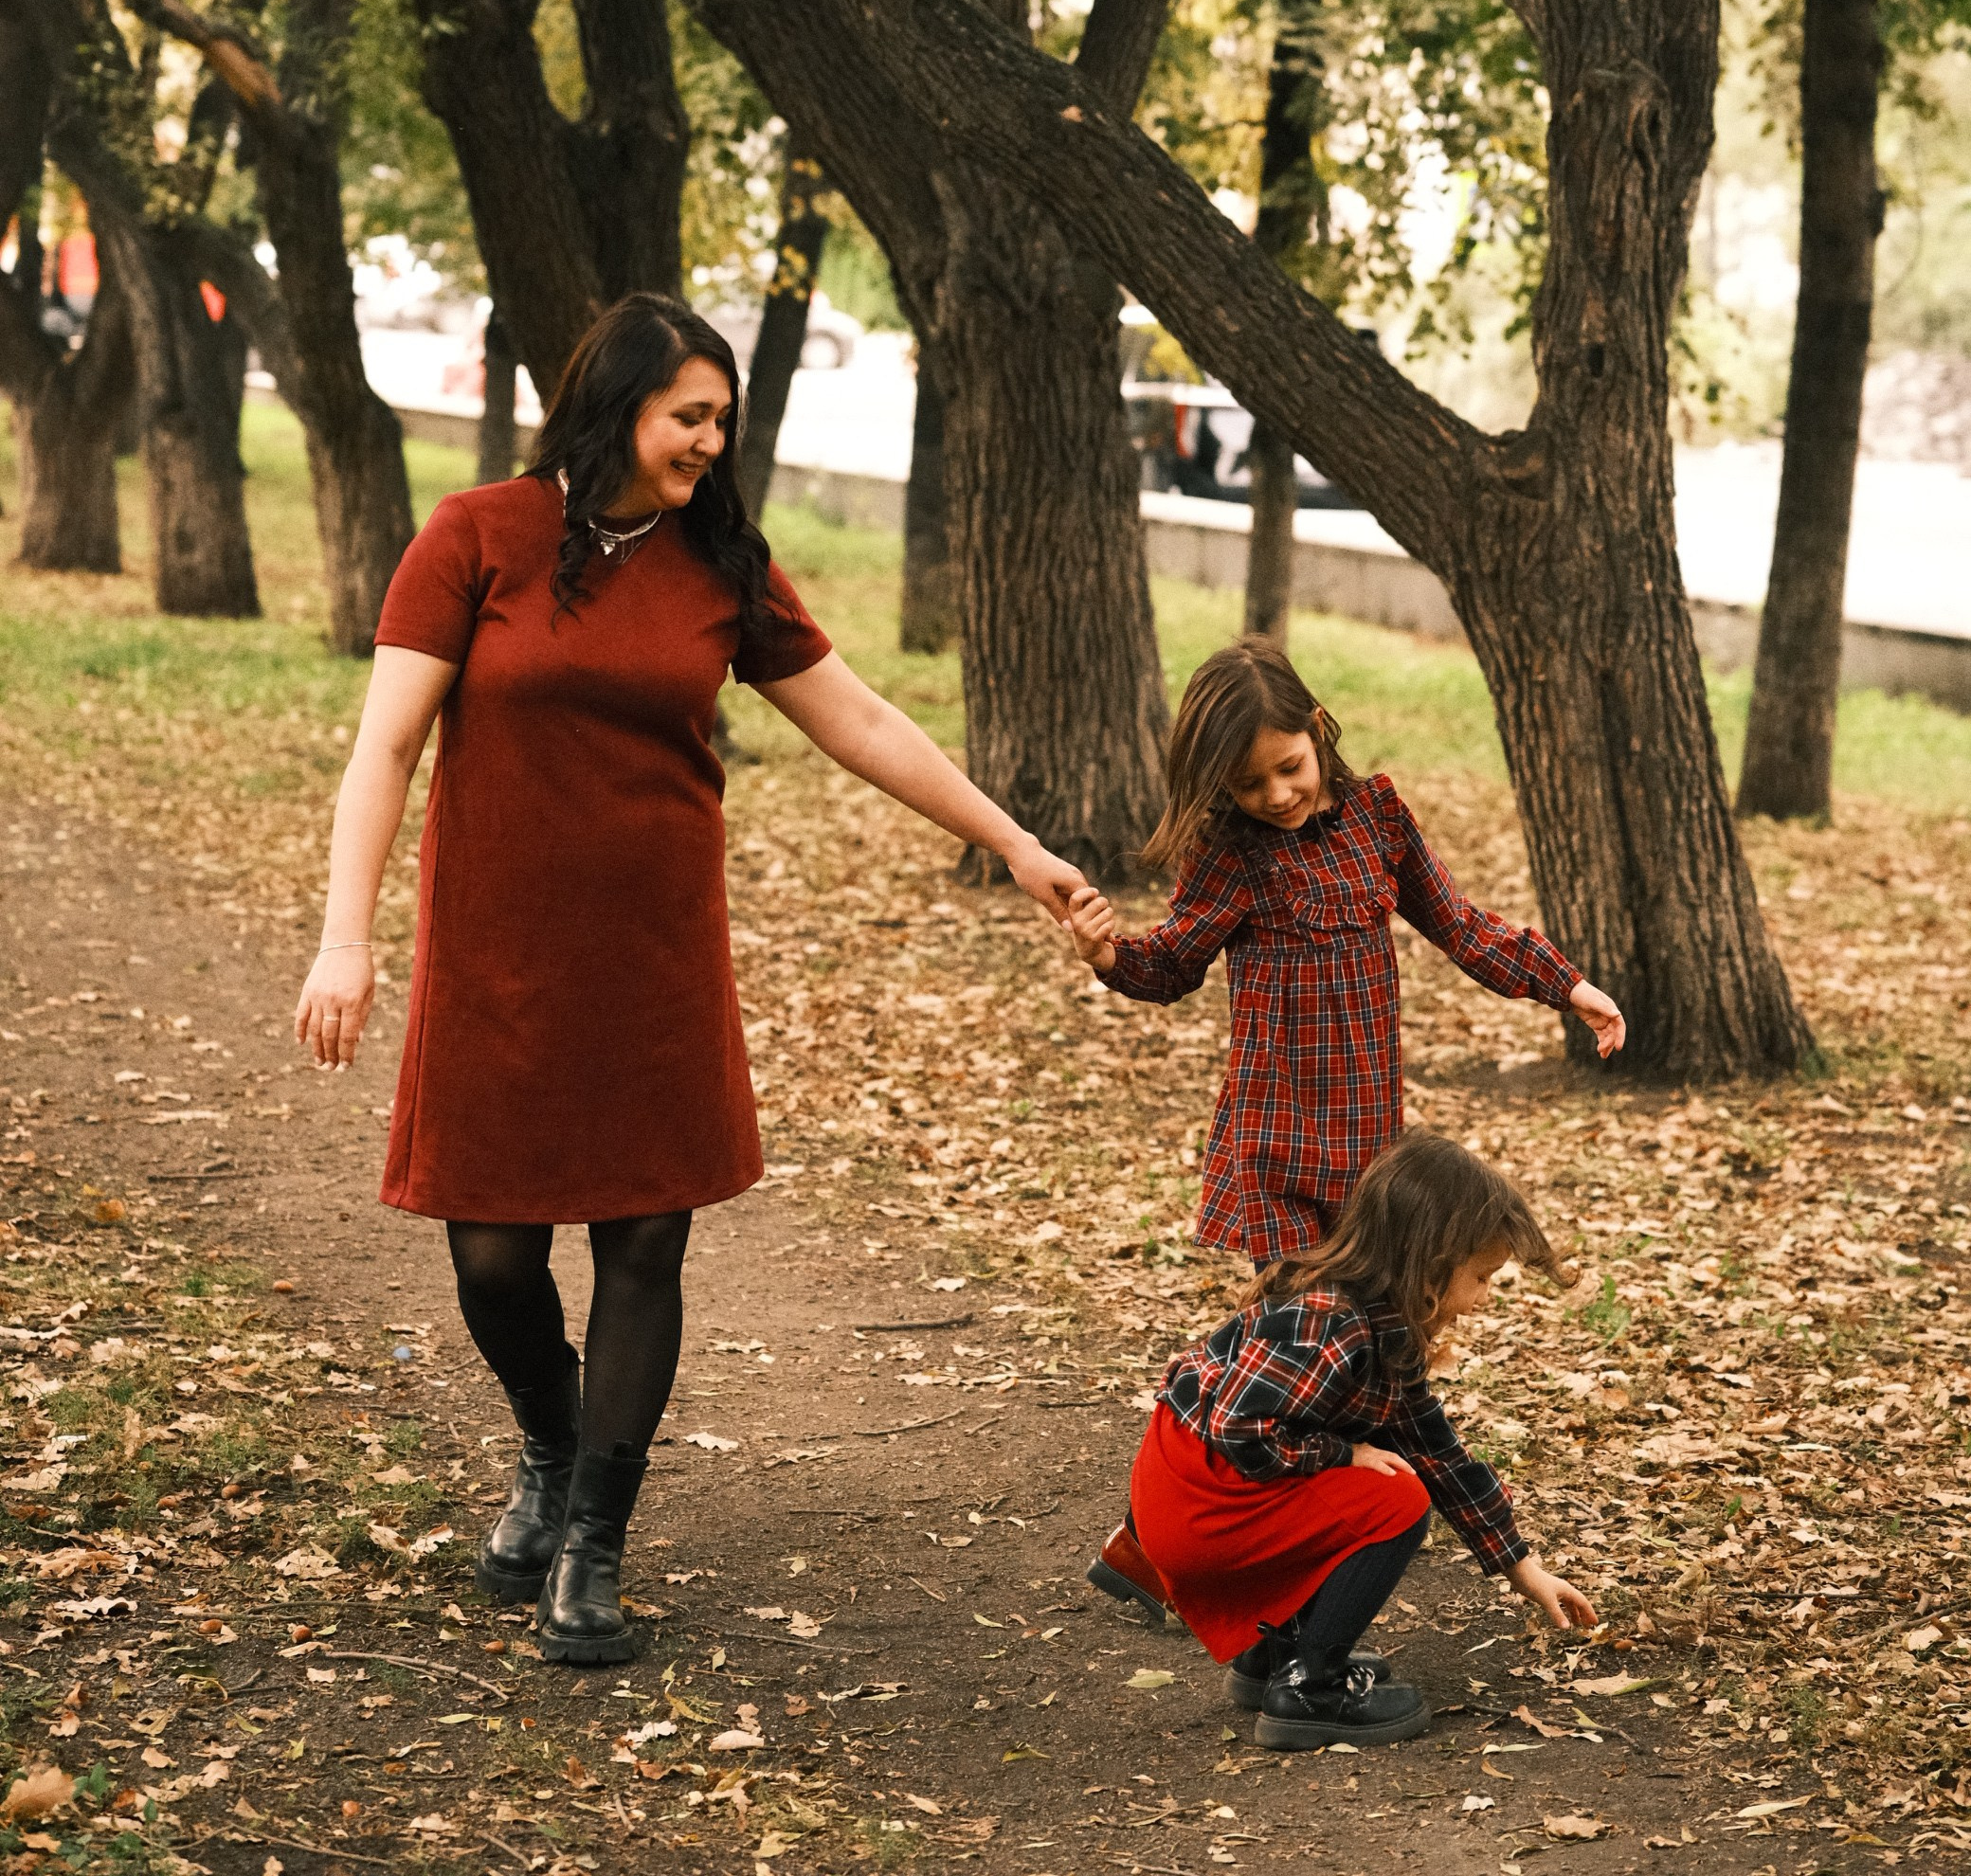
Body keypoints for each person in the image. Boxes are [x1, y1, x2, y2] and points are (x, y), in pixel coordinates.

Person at [292, 294, 1086, 1668]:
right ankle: (549, 1446)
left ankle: (594, 1540)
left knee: (644, 1240)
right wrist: (343, 937)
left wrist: (1010, 842)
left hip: (654, 954)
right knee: (489, 1251)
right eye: (689, 417)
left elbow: (860, 718)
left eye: (724, 420)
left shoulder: (720, 559)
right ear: (616, 407)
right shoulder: (475, 537)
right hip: (498, 952)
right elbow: (385, 751)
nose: (713, 443)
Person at [1061, 634, 1623, 1623]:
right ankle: (1255, 1571)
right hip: (1276, 1152)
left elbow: (1459, 922)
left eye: (1286, 767)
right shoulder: (1231, 856)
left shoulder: (1377, 817)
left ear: (1319, 731)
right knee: (1302, 1362)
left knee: (1348, 1359)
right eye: (1246, 783)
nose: (1275, 794)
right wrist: (1109, 955)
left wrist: (1563, 985)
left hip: (1370, 1167)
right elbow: (1170, 964)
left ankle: (1158, 1548)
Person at [1126, 1128, 1598, 1748]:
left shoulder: (1377, 1320)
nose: (1485, 1298)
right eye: (1482, 1278)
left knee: (1394, 1468)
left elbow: (1438, 1450)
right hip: (1199, 1504)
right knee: (1394, 1497)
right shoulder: (1331, 1322)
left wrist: (1522, 1568)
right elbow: (1241, 1427)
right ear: (1429, 1260)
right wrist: (1343, 1454)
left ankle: (1273, 1655)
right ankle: (1309, 1689)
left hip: (1201, 1492)